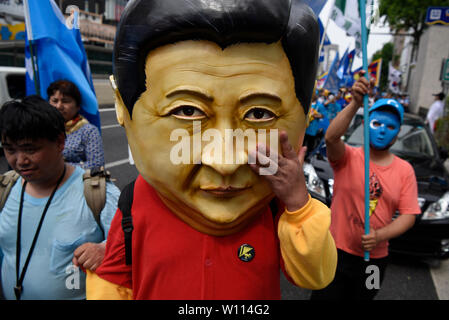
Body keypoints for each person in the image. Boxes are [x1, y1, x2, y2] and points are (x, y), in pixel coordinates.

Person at [86, 0, 337, 300]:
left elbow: (314, 275)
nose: (225, 162)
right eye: (188, 111)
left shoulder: (277, 202)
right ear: (122, 108)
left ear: (305, 117)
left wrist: (299, 204)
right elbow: (115, 281)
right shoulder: (135, 201)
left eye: (259, 114)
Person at [310, 73, 421, 300]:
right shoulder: (348, 157)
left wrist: (380, 235)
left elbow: (409, 215)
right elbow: (331, 138)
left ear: (398, 132)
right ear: (366, 125)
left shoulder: (404, 170)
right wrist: (355, 103)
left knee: (364, 297)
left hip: (374, 261)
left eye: (390, 126)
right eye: (377, 122)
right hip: (335, 252)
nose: (382, 130)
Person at [0, 96, 120, 300]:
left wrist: (105, 248)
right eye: (10, 149)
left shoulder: (99, 194)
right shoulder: (4, 189)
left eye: (30, 149)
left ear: (59, 142)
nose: (20, 161)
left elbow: (137, 246)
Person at [47, 80, 105, 169]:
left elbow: (96, 165)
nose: (59, 106)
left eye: (65, 101)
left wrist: (60, 168)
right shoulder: (42, 129)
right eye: (55, 101)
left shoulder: (88, 131)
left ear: (77, 106)